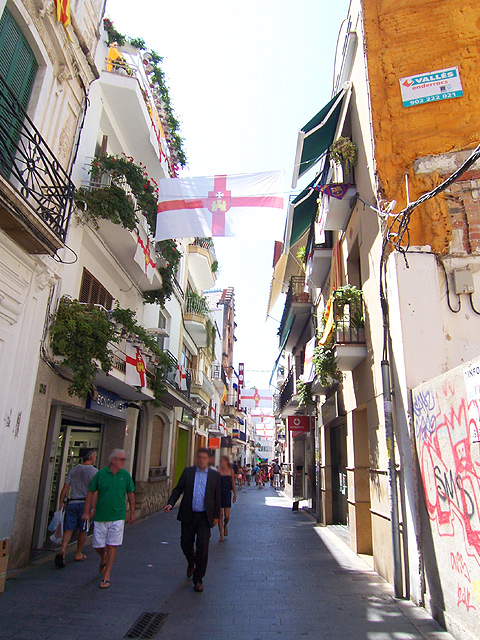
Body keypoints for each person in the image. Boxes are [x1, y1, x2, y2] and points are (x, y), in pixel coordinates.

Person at [165, 448, 221, 592]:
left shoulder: (214, 475)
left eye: (204, 458)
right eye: (199, 457)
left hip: (204, 517)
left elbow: (217, 497)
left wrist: (216, 516)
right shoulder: (188, 472)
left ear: (208, 460)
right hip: (188, 515)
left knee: (203, 548)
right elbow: (178, 489)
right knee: (185, 543)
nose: (202, 460)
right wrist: (171, 503)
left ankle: (198, 579)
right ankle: (191, 561)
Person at [82, 449, 135, 589]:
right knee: (97, 546)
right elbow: (91, 492)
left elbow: (131, 495)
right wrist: (87, 511)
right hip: (101, 516)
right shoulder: (100, 474)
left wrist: (132, 513)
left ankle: (107, 576)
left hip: (117, 516)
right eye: (121, 459)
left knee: (112, 545)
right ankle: (103, 556)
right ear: (113, 460)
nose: (123, 462)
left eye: (124, 459)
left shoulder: (125, 475)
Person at [54, 449, 98, 568]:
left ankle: (63, 549)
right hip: (85, 504)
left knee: (69, 528)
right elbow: (95, 491)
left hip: (72, 502)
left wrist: (61, 502)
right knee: (83, 530)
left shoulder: (74, 469)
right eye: (95, 456)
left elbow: (65, 487)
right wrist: (93, 507)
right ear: (91, 457)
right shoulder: (94, 472)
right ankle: (78, 553)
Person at [218, 456, 236, 541]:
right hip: (219, 494)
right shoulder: (218, 471)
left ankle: (225, 526)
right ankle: (221, 535)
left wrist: (235, 494)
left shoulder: (231, 471)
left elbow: (233, 483)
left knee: (227, 516)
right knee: (220, 515)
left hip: (227, 493)